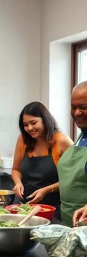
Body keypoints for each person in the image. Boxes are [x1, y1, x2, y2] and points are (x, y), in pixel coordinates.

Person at [12, 102, 73, 220]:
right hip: (24, 207)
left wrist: (46, 190)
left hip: (52, 210)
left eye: (33, 123)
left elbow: (71, 180)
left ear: (45, 120)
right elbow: (16, 169)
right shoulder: (23, 140)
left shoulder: (61, 141)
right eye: (25, 125)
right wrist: (18, 183)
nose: (29, 128)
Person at [58, 81, 87, 227]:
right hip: (70, 226)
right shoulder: (81, 137)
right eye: (73, 107)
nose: (77, 112)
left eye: (84, 107)